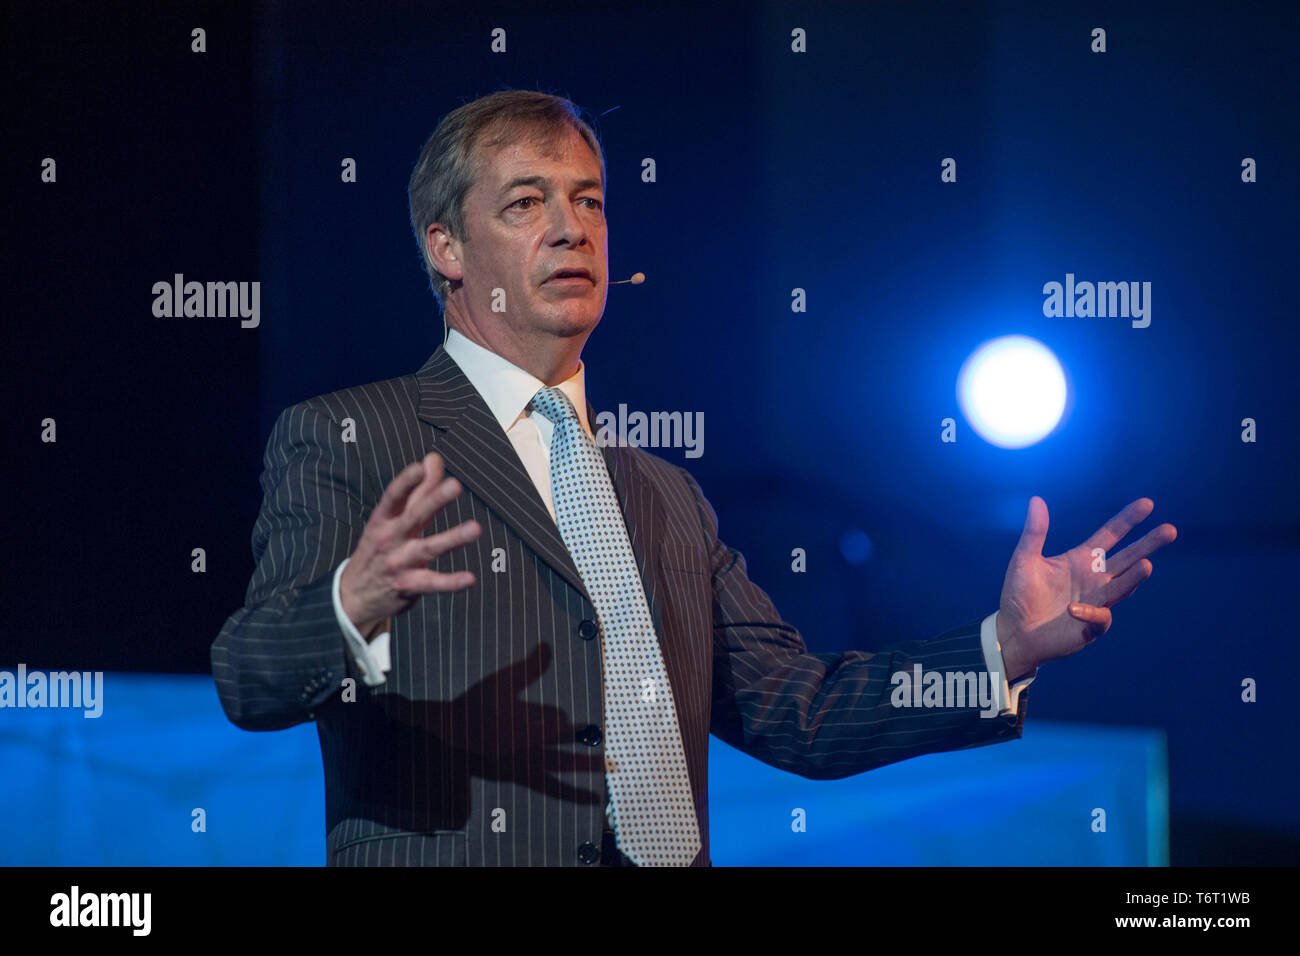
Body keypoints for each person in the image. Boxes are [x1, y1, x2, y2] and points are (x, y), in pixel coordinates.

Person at [210, 89, 1177, 867]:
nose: (570, 228)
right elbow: (248, 675)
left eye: (588, 198)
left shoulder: (666, 496)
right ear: (446, 250)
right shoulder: (351, 433)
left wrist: (999, 649)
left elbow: (796, 708)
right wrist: (351, 604)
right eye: (525, 202)